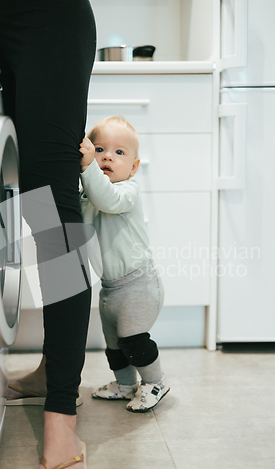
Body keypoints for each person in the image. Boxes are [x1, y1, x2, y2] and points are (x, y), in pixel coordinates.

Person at [0, 0, 96, 469]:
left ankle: (61, 415)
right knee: (29, 204)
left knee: (54, 219)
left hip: (49, 18)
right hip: (2, 23)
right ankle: (54, 368)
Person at [79, 116, 170, 412]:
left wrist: (88, 166)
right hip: (110, 288)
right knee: (115, 347)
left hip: (138, 284)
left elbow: (106, 198)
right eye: (100, 149)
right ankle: (125, 384)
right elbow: (84, 216)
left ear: (133, 167)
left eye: (119, 152)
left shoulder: (128, 192)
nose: (106, 156)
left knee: (133, 341)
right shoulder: (94, 194)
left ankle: (155, 381)